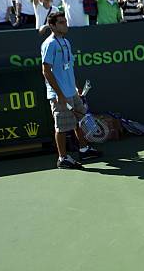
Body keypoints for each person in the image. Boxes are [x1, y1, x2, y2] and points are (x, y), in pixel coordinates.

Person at [41, 12, 102, 169]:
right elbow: (46, 71)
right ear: (53, 26)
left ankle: (84, 149)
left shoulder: (66, 42)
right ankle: (63, 158)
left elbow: (69, 67)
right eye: (61, 22)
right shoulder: (50, 44)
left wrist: (75, 87)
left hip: (71, 92)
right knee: (61, 128)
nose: (65, 24)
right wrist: (59, 94)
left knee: (79, 121)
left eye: (65, 21)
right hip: (58, 95)